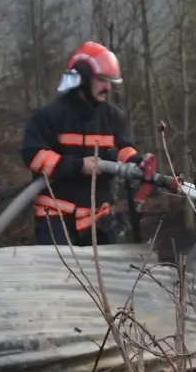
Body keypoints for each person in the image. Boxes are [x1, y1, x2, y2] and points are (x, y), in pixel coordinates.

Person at [19, 41, 158, 246]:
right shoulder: (50, 116)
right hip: (56, 215)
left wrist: (138, 161)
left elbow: (123, 150)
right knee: (58, 274)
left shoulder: (113, 117)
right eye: (102, 80)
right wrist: (77, 166)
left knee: (105, 274)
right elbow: (33, 155)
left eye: (110, 81)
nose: (108, 87)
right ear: (83, 78)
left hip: (97, 217)